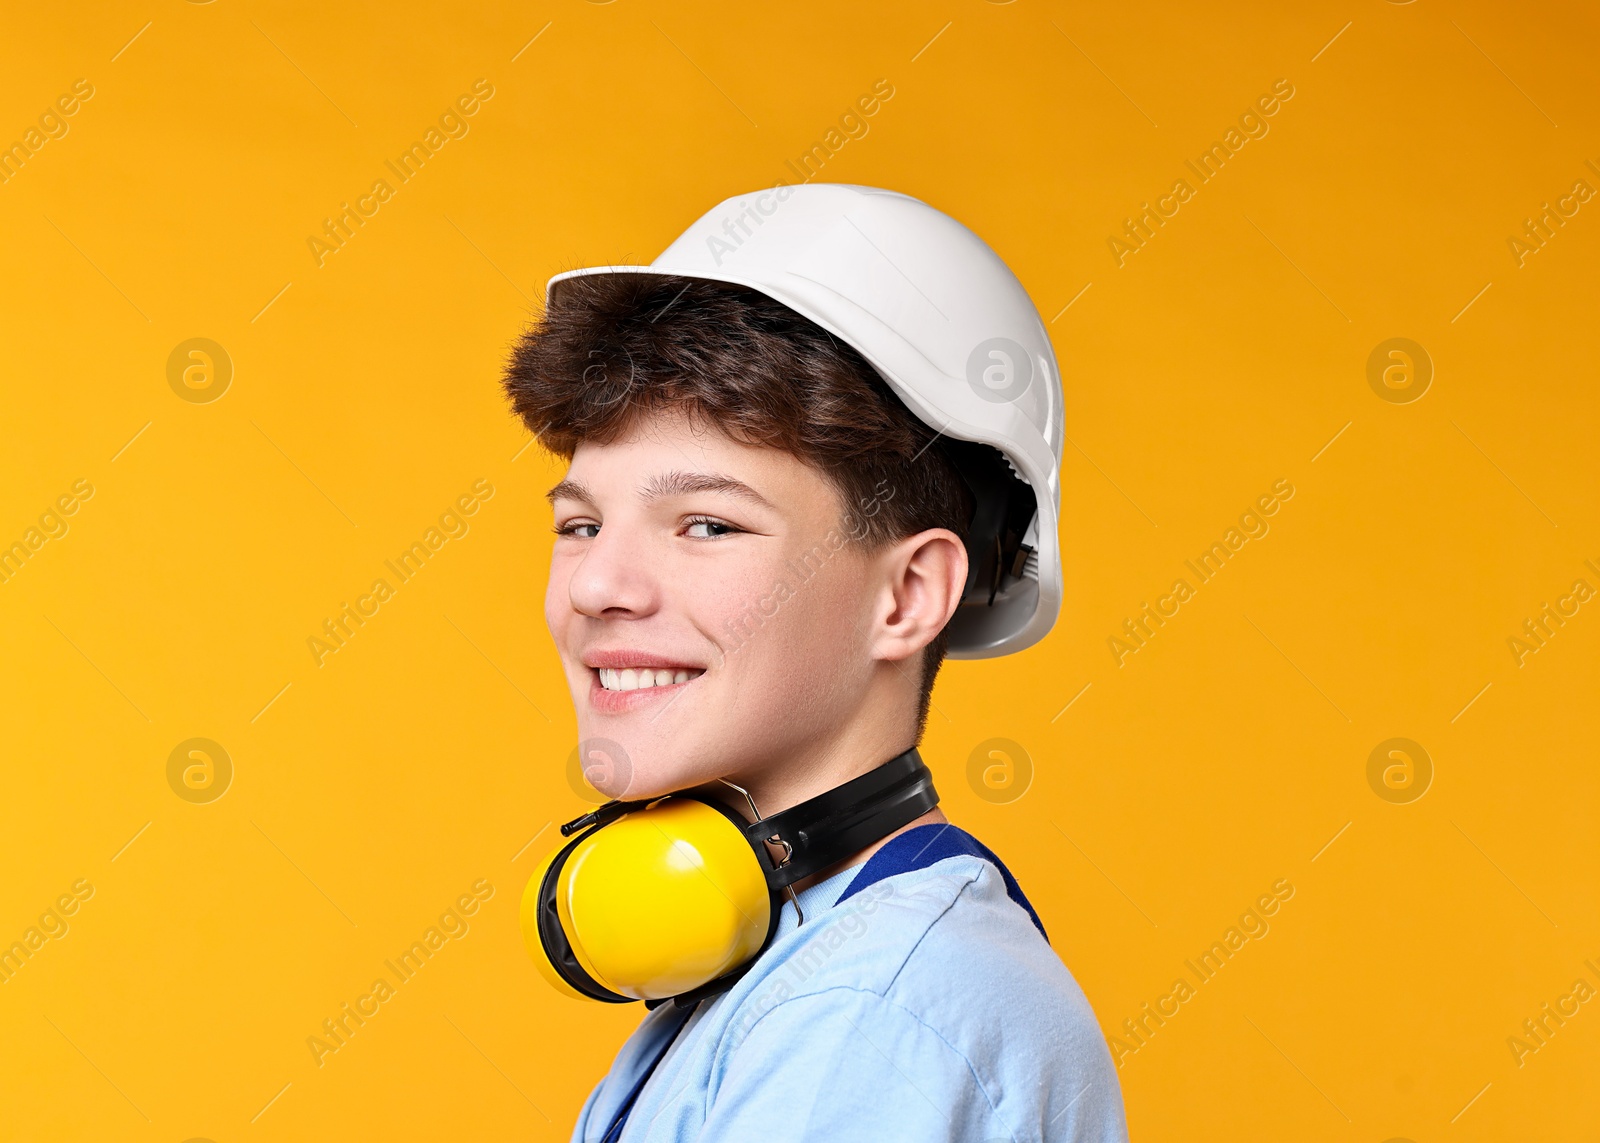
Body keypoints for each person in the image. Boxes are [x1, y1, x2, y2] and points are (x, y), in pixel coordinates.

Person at [501, 183, 1126, 1142]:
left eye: (706, 523)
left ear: (909, 594)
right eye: (580, 524)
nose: (596, 586)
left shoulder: (869, 1015)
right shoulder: (803, 963)